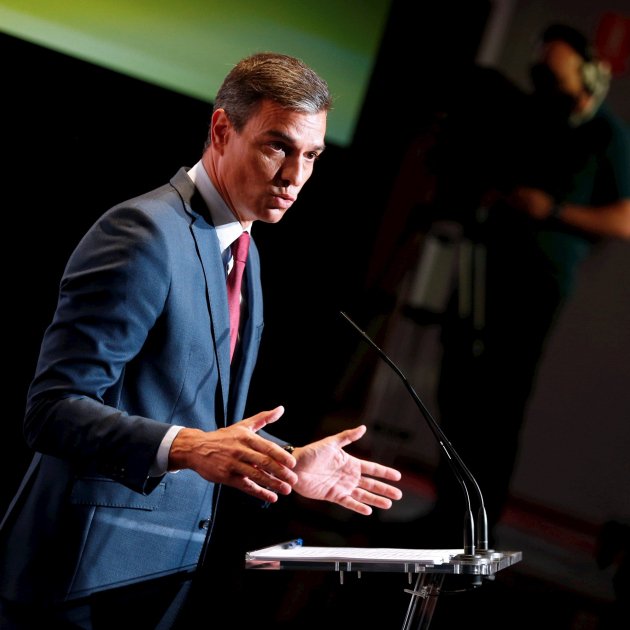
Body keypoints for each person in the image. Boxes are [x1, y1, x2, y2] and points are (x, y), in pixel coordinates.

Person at [0, 51, 403, 629]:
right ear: (221, 130)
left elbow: (202, 420)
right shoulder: (143, 234)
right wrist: (190, 448)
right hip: (74, 577)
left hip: (156, 579)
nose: (295, 177)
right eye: (277, 147)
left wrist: (288, 462)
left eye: (311, 155)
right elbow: (52, 410)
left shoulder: (244, 250)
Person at [418, 22, 630, 546]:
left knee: (500, 403)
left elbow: (625, 217)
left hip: (538, 283)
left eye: (554, 75)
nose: (544, 86)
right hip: (486, 261)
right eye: (539, 74)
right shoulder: (532, 118)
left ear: (587, 74)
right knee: (458, 387)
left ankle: (475, 532)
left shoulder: (607, 134)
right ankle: (446, 513)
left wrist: (551, 210)